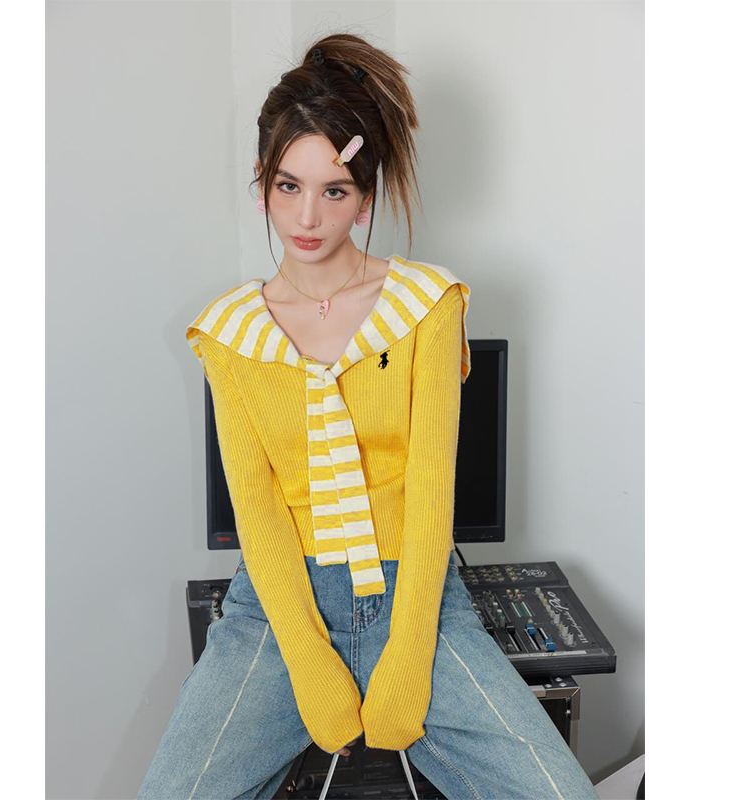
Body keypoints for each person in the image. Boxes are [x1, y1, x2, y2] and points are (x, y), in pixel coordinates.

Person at [137, 33, 599, 800]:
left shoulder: (426, 306)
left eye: (335, 190)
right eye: (288, 185)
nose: (306, 216)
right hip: (276, 611)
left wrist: (409, 657)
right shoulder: (227, 333)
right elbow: (257, 510)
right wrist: (310, 664)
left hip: (416, 598)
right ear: (261, 182)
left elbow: (430, 489)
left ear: (368, 194)